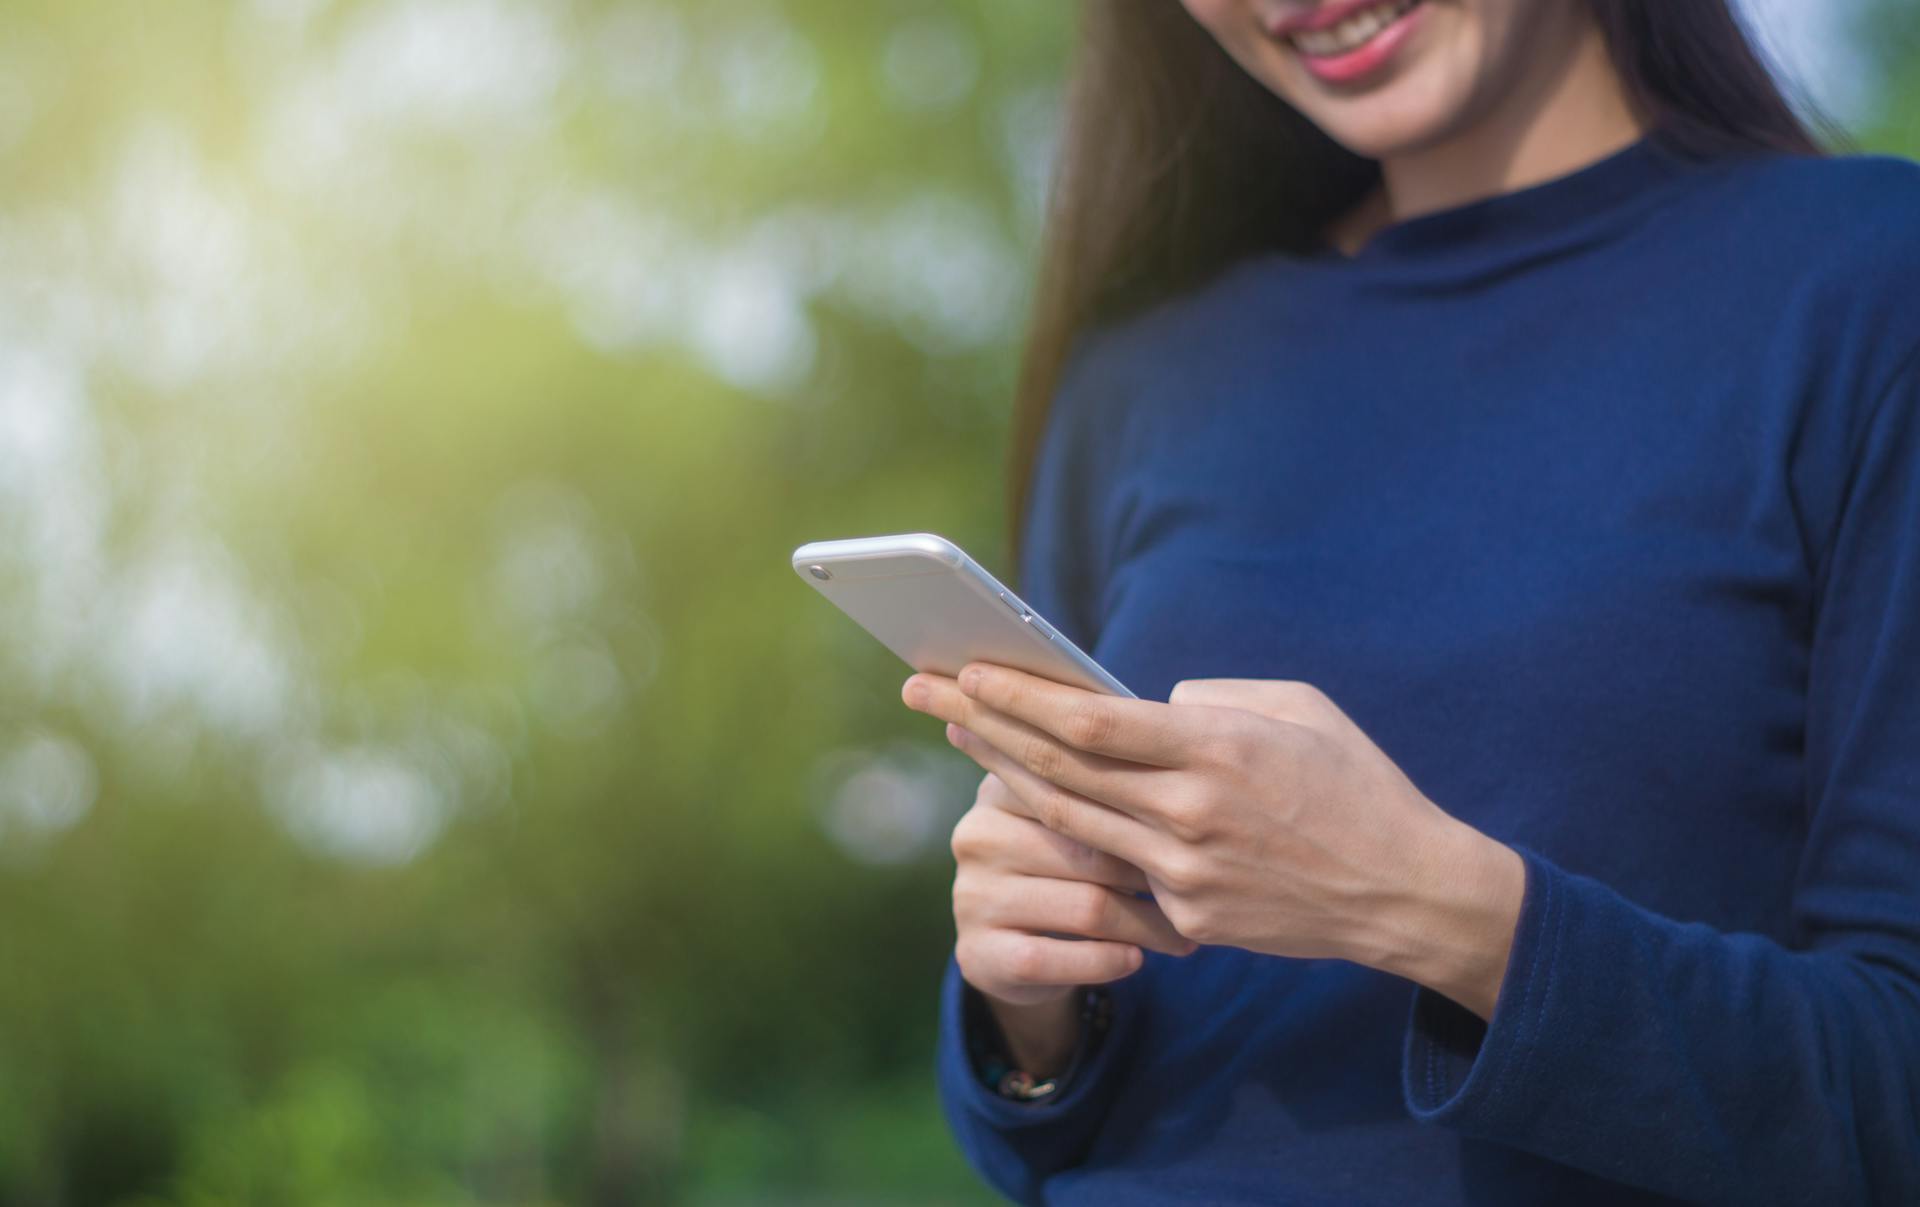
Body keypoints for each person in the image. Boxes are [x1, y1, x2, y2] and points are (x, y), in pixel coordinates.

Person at [897, 1, 1920, 1203]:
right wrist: (1029, 1007)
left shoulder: (1866, 282)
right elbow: (1033, 1135)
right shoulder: (1146, 365)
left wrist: (1433, 905)